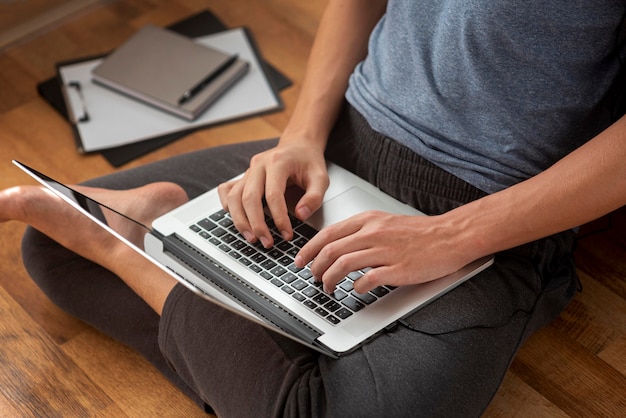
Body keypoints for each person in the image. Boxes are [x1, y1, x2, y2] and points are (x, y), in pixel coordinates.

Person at [2, 1, 626, 416]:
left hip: (492, 208)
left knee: (84, 249)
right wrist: (300, 136)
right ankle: (254, 331)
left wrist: (455, 235)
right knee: (53, 252)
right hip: (342, 143)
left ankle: (136, 249)